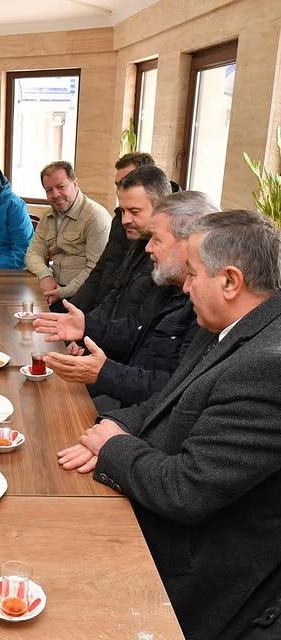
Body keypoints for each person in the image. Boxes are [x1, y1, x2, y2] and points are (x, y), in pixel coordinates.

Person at [57, 210, 281, 640]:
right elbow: (165, 401)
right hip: (158, 498)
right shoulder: (225, 324)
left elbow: (187, 490)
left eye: (194, 274)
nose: (186, 285)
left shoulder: (266, 367)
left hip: (194, 566)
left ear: (230, 281)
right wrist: (111, 425)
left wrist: (113, 448)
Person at [36, 191, 217, 409]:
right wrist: (86, 325)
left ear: (189, 244)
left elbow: (174, 389)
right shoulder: (166, 284)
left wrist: (103, 371)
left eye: (156, 239)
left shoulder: (207, 308)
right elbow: (135, 330)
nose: (148, 247)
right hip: (127, 402)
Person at [70, 152, 157, 313]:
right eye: (118, 184)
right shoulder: (120, 220)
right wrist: (72, 312)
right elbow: (101, 269)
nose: (122, 190)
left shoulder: (163, 234)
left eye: (128, 182)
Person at [24, 161, 111, 308]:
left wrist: (62, 292)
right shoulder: (48, 216)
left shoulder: (95, 217)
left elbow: (95, 270)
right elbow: (33, 253)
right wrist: (45, 276)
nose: (55, 194)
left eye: (60, 187)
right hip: (53, 290)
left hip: (83, 296)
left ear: (75, 183)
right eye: (49, 190)